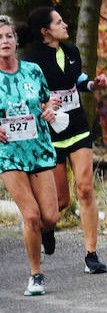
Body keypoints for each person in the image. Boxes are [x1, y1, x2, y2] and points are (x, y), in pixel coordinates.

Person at [19, 7, 107, 274]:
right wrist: (44, 103)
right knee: (60, 202)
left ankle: (91, 255)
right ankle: (44, 228)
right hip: (51, 135)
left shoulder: (72, 52)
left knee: (85, 189)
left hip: (78, 129)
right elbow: (26, 97)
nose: (65, 24)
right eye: (59, 22)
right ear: (45, 31)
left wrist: (93, 85)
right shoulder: (32, 61)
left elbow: (76, 80)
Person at [0, 15, 60, 295]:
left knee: (50, 218)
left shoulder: (33, 71)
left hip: (38, 149)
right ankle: (36, 274)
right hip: (8, 154)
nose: (4, 41)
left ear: (16, 40)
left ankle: (35, 228)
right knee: (32, 216)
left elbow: (48, 99)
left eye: (8, 36)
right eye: (0, 38)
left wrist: (49, 109)